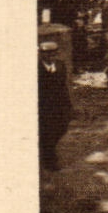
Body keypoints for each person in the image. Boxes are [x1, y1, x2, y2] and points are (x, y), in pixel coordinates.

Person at [38, 39, 72, 173]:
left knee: (61, 128)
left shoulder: (60, 65)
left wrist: (68, 105)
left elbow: (63, 86)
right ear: (41, 54)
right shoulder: (37, 69)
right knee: (47, 133)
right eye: (47, 54)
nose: (50, 57)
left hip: (59, 105)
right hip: (44, 107)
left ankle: (46, 153)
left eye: (53, 54)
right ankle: (49, 160)